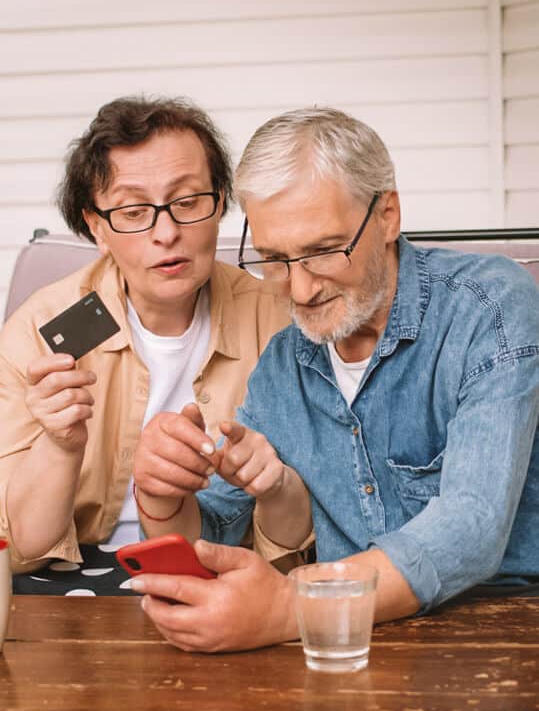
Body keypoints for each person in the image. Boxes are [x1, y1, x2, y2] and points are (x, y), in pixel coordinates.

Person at [132, 107, 539, 653]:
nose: (299, 291)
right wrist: (162, 492)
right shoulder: (284, 363)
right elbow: (216, 534)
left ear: (388, 215)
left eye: (323, 250)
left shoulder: (491, 307)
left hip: (505, 628)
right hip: (347, 643)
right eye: (274, 259)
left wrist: (290, 606)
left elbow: (473, 528)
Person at [0, 96, 288, 590]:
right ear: (97, 228)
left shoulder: (276, 319)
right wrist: (60, 444)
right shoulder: (40, 328)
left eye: (188, 202)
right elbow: (22, 552)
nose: (167, 232)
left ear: (220, 203)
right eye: (134, 211)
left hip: (226, 568)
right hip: (77, 577)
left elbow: (302, 536)